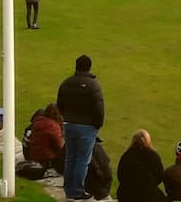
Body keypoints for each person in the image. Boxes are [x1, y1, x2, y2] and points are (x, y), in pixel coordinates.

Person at [58, 55, 107, 201]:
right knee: (82, 160)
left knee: (70, 157)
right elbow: (99, 109)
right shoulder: (93, 85)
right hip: (86, 127)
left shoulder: (66, 83)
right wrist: (97, 125)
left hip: (69, 125)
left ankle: (69, 189)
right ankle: (77, 191)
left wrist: (66, 119)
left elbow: (60, 105)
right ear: (89, 67)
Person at [117, 129, 168, 202]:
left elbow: (120, 176)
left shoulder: (126, 156)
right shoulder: (153, 155)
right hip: (149, 195)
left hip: (126, 195)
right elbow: (160, 176)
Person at [26, 104, 66, 173]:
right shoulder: (53, 126)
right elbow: (60, 147)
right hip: (47, 160)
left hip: (35, 156)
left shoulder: (39, 121)